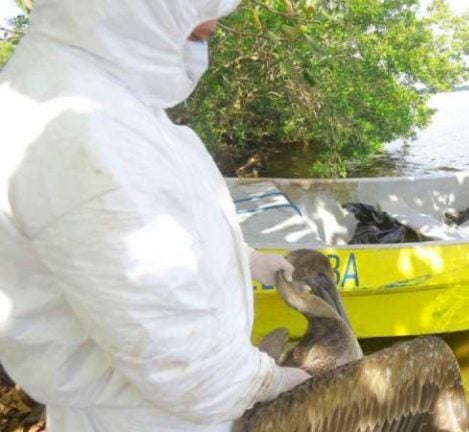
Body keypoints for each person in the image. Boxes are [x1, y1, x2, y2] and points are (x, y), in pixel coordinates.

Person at [0, 1, 312, 431]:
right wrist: (265, 383)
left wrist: (245, 258)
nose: (211, 25)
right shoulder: (82, 128)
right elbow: (177, 359)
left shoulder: (102, 97)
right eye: (200, 12)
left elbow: (155, 234)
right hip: (152, 418)